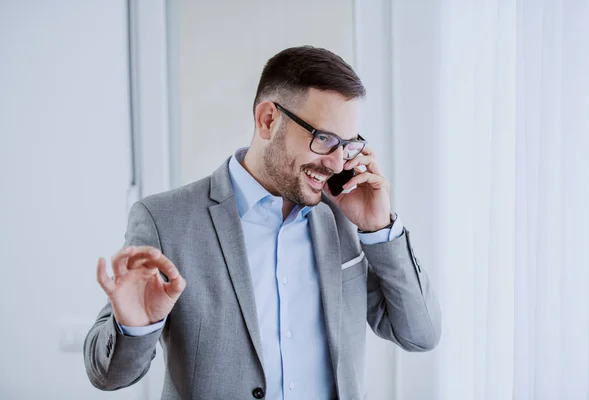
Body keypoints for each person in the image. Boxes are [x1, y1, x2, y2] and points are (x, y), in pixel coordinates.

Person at [83, 45, 441, 400]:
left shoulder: (345, 219)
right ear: (268, 119)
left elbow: (419, 334)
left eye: (347, 145)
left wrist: (379, 228)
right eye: (324, 139)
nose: (335, 163)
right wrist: (134, 327)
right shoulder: (166, 220)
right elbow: (108, 376)